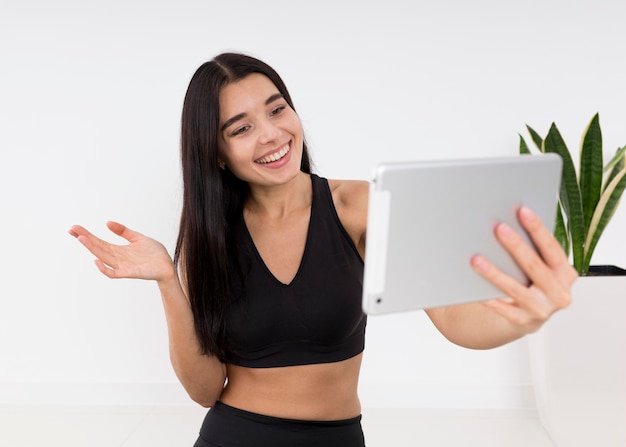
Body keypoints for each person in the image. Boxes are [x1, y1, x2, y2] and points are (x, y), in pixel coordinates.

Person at [69, 52, 578, 446]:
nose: (272, 134)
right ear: (216, 154)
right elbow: (206, 389)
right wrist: (167, 280)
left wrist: (527, 317)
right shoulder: (212, 237)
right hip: (232, 435)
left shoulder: (358, 205)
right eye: (241, 128)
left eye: (277, 109)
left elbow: (458, 321)